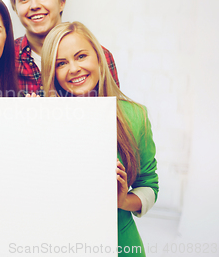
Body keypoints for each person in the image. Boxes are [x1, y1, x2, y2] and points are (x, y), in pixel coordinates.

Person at [41, 21, 158, 256]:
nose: (73, 68)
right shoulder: (43, 121)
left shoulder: (135, 116)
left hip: (120, 244)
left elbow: (149, 185)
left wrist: (123, 201)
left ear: (98, 57)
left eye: (81, 56)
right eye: (61, 63)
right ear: (52, 72)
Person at [10, 0, 120, 96]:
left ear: (62, 2)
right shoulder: (6, 59)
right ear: (15, 9)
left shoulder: (100, 57)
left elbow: (112, 111)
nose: (34, 5)